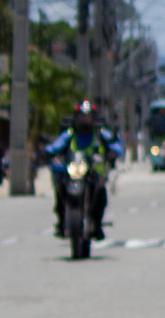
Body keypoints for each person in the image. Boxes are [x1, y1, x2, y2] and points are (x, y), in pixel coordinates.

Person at [45, 101, 122, 238]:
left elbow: (115, 146)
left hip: (94, 172)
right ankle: (62, 221)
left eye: (87, 117)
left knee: (101, 194)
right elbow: (55, 146)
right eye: (81, 116)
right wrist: (48, 152)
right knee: (60, 186)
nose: (84, 120)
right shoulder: (70, 134)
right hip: (74, 171)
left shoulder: (100, 133)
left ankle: (97, 224)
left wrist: (113, 153)